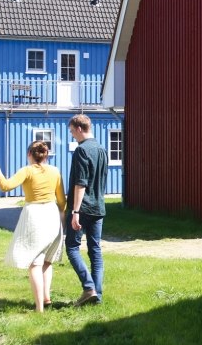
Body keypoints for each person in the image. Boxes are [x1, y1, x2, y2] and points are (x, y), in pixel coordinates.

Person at [0, 140, 66, 312]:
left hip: (34, 215)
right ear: (46, 155)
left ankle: (39, 307)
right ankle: (46, 298)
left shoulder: (27, 171)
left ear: (29, 154)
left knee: (35, 263)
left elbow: (5, 186)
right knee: (47, 261)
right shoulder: (55, 171)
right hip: (52, 213)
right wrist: (62, 215)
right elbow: (62, 200)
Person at [65, 114, 108, 307]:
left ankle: (88, 286)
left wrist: (75, 211)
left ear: (79, 128)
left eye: (72, 131)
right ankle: (96, 296)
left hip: (82, 208)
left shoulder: (81, 151)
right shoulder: (101, 149)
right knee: (95, 251)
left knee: (73, 248)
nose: (73, 135)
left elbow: (80, 183)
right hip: (98, 207)